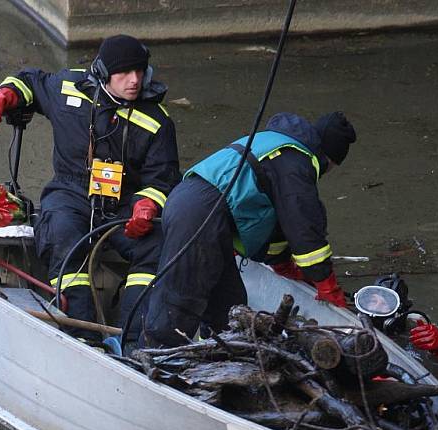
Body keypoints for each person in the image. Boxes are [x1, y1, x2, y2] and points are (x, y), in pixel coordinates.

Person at [0, 34, 180, 343]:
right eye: (124, 72)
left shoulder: (157, 121)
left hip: (125, 203)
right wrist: (3, 96)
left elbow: (163, 178)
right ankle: (82, 337)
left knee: (158, 245)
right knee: (61, 233)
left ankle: (134, 344)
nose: (135, 80)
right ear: (102, 72)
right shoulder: (67, 89)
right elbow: (30, 81)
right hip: (71, 192)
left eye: (140, 71)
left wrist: (147, 205)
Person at [142, 111, 356, 348]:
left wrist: (283, 264)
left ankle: (215, 355)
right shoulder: (298, 162)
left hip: (195, 205)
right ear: (329, 158)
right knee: (181, 300)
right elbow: (306, 231)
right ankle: (157, 358)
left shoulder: (277, 144)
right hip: (201, 214)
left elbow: (277, 223)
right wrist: (328, 287)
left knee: (229, 305)